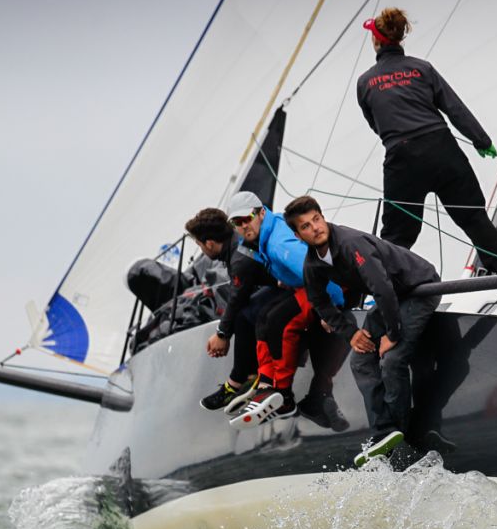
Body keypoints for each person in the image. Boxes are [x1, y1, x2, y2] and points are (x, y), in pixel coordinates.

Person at [356, 7, 497, 275]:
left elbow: (377, 125)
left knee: (398, 235)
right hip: (442, 149)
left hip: (402, 157)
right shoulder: (422, 69)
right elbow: (454, 108)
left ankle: (385, 287)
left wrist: (402, 136)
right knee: (472, 216)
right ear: (399, 38)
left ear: (376, 40)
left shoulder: (365, 83)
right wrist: (481, 140)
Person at [283, 195, 442, 467]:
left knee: (392, 360)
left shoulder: (350, 244)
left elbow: (382, 287)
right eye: (306, 226)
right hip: (392, 299)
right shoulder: (313, 263)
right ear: (298, 235)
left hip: (420, 288)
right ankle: (384, 432)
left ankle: (400, 435)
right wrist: (350, 333)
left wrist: (392, 334)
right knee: (359, 359)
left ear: (323, 217)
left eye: (317, 219)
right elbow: (319, 301)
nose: (316, 227)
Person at [226, 192, 350, 431]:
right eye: (236, 222)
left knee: (280, 322)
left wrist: (333, 308)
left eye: (247, 218)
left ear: (261, 213)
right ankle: (266, 384)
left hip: (326, 288)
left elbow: (316, 272)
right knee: (262, 318)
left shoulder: (277, 243)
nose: (243, 225)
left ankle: (282, 396)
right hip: (307, 286)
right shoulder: (264, 236)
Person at [185, 208, 280, 410]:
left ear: (209, 243)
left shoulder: (239, 257)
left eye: (199, 244)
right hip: (282, 286)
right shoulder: (236, 243)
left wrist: (222, 334)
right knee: (244, 312)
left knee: (244, 314)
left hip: (295, 288)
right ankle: (246, 377)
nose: (201, 249)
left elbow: (237, 298)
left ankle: (238, 382)